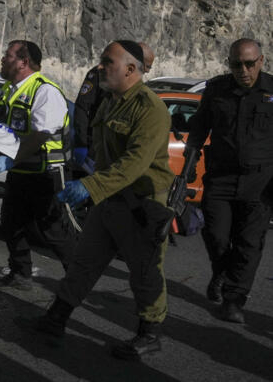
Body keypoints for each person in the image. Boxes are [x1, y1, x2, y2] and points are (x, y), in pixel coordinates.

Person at [34, 40, 173, 360]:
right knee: (84, 262)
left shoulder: (150, 108)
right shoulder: (112, 101)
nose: (100, 67)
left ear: (130, 69)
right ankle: (56, 319)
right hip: (109, 199)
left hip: (141, 204)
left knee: (145, 272)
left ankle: (150, 334)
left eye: (107, 61)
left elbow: (135, 164)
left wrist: (90, 186)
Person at [184, 38, 273, 324]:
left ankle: (234, 299)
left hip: (260, 181)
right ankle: (222, 271)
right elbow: (199, 127)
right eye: (236, 64)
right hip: (221, 177)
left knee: (249, 243)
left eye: (249, 64)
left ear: (261, 61)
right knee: (215, 235)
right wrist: (189, 161)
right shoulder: (217, 89)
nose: (243, 70)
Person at [0, 40, 77, 290]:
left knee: (52, 230)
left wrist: (9, 158)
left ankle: (78, 280)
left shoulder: (45, 91)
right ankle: (20, 273)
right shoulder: (8, 90)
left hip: (46, 174)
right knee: (12, 222)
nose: (3, 59)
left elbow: (39, 135)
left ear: (24, 62)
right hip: (21, 172)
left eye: (8, 56)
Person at [72, 42, 155, 174]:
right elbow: (82, 106)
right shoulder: (101, 74)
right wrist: (81, 142)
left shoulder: (143, 97)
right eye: (147, 66)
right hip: (93, 144)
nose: (148, 70)